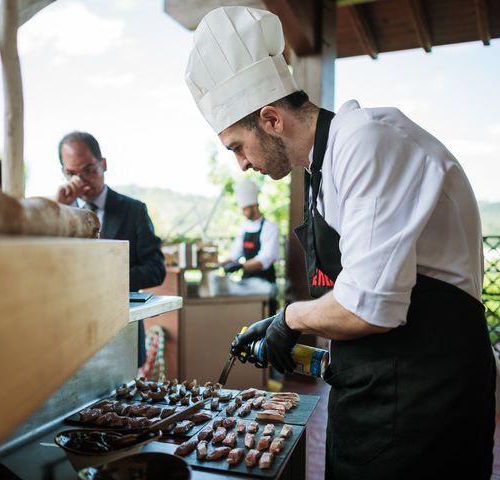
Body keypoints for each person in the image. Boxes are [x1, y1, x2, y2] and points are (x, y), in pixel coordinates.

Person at [185, 6, 495, 479]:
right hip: (368, 393)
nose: (241, 165)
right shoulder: (321, 171)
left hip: (427, 403)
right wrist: (296, 334)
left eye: (236, 147)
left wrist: (288, 317)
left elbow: (367, 307)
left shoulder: (367, 142)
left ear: (271, 119)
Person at [55, 131, 166, 367]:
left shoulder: (134, 211)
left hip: (122, 331)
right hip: (72, 336)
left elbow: (156, 269)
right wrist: (56, 213)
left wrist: (107, 277)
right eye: (71, 174)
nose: (82, 181)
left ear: (103, 164)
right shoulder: (59, 212)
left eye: (89, 170)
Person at [222, 179, 280, 314]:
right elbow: (235, 254)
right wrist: (221, 263)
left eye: (245, 209)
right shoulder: (244, 227)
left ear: (254, 206)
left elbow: (265, 258)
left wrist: (241, 266)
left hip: (265, 283)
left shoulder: (270, 227)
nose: (243, 212)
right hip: (247, 283)